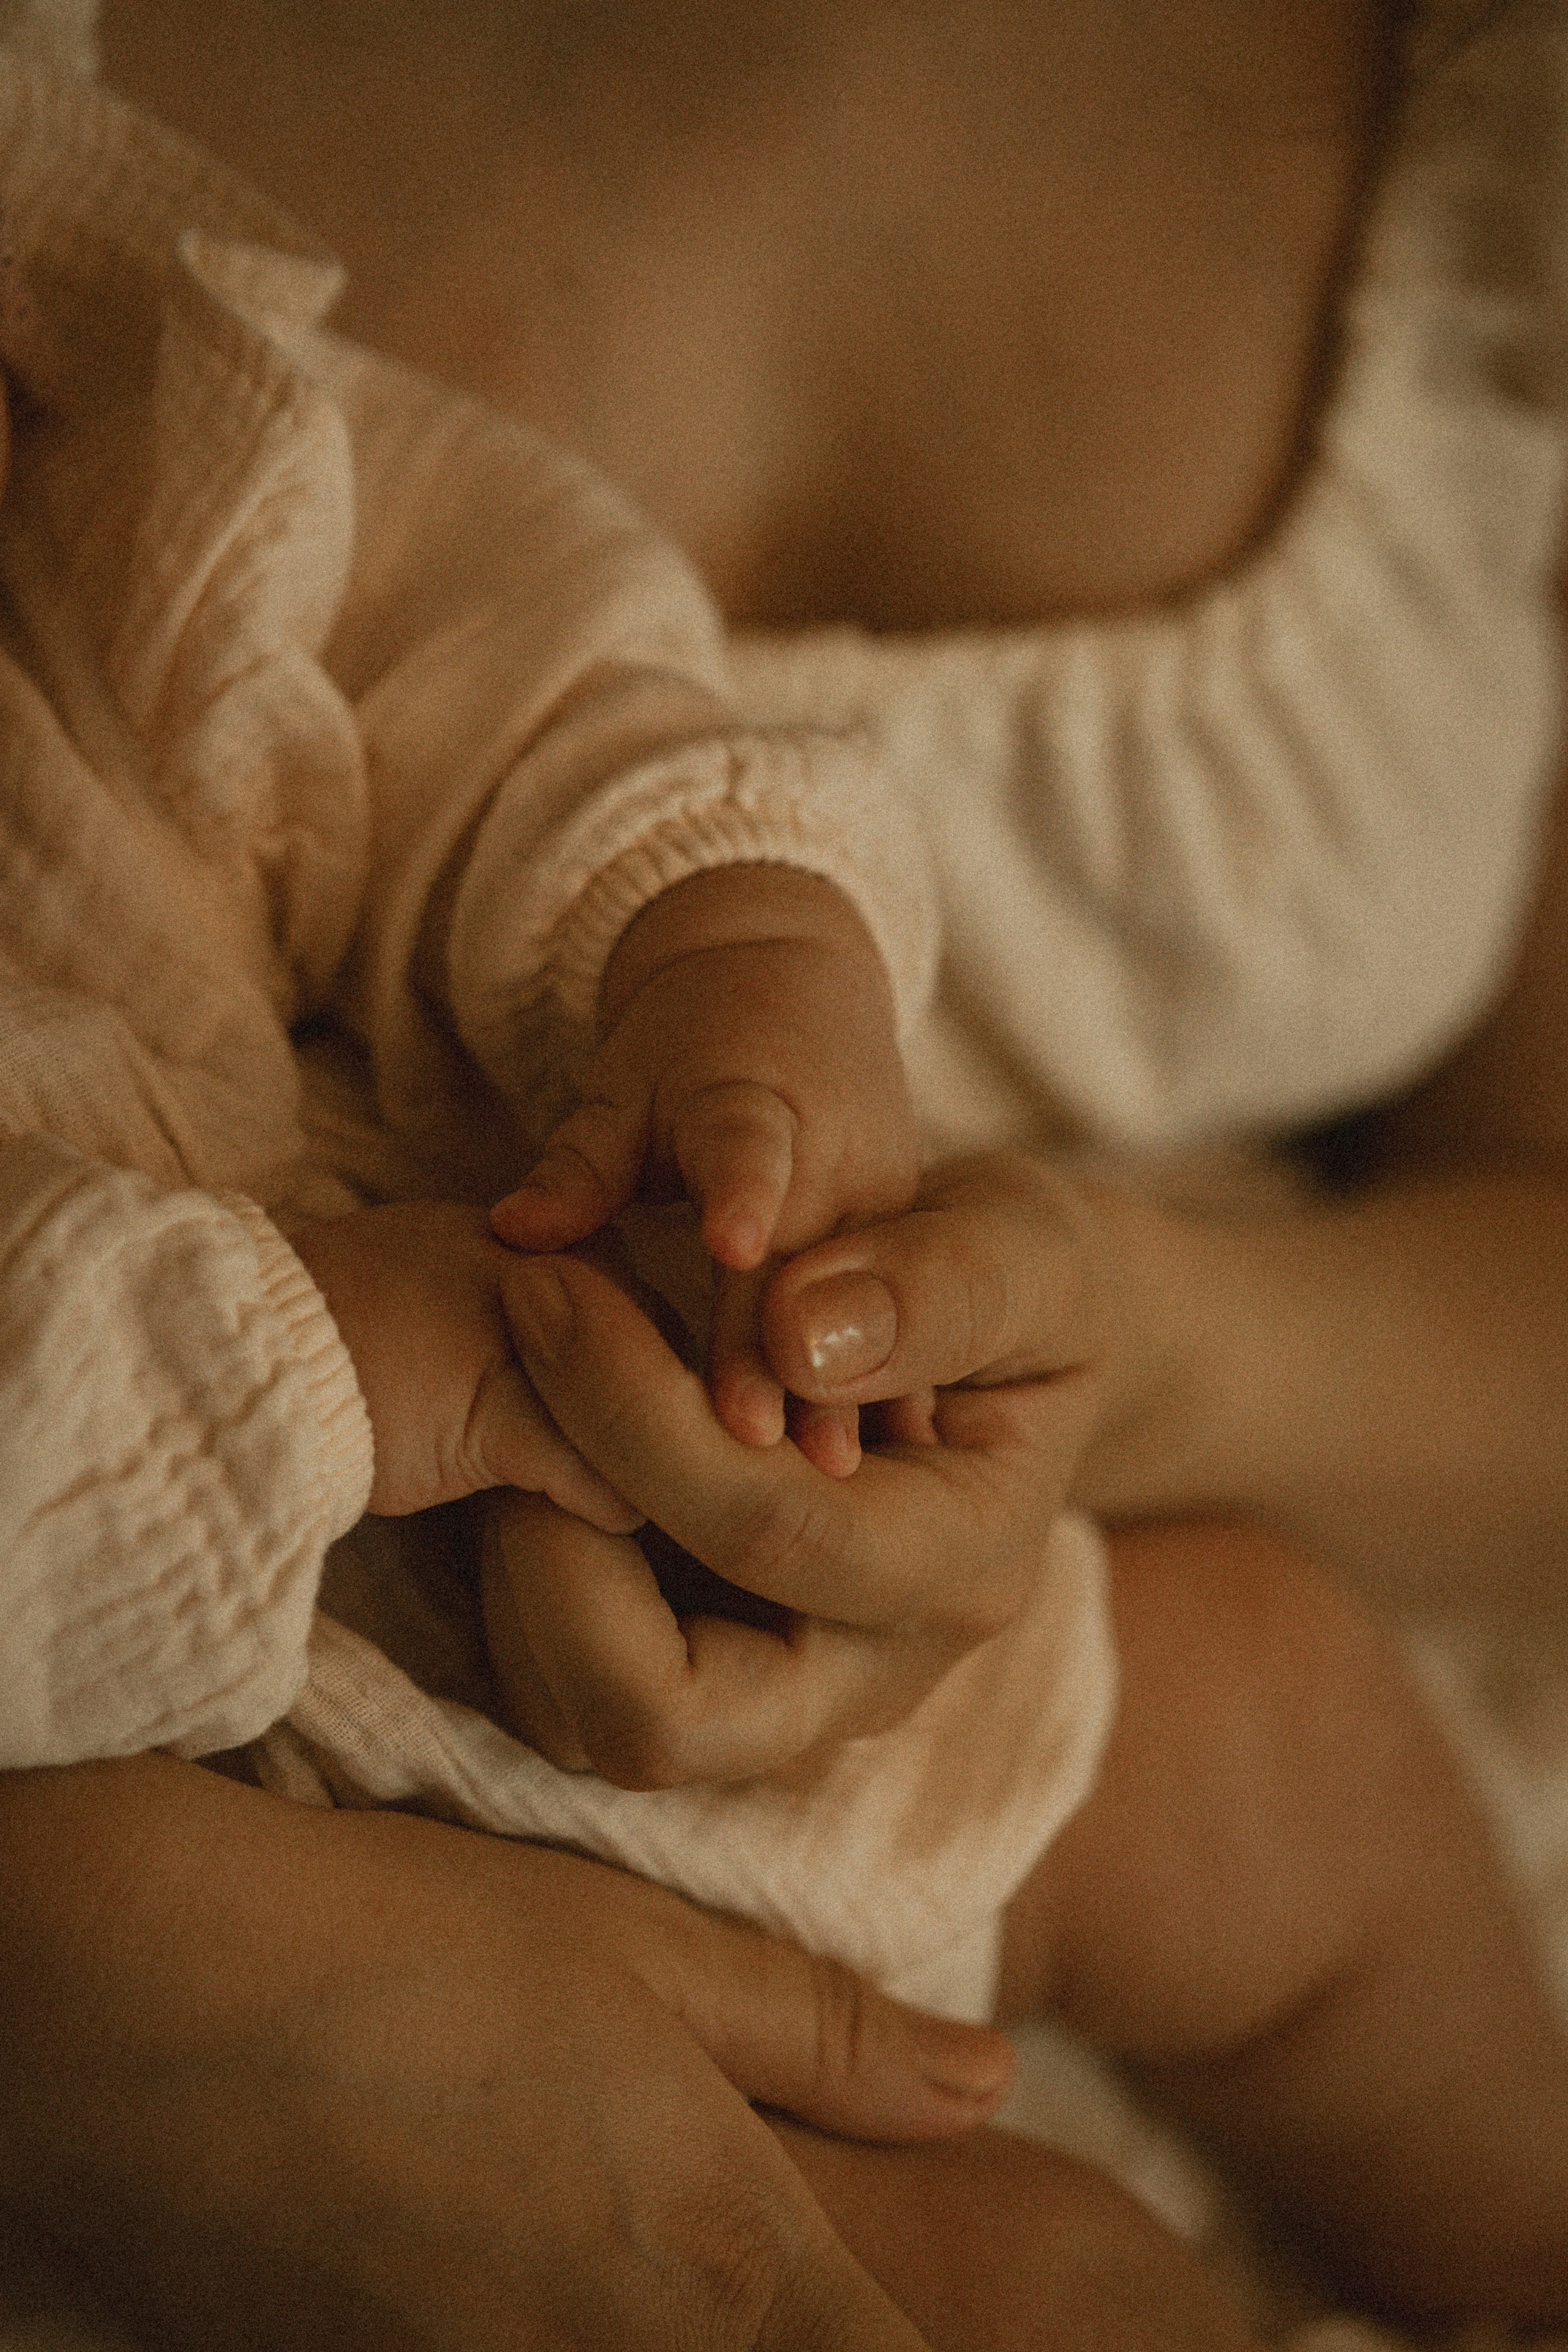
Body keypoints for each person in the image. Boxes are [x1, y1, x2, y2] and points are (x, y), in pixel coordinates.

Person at [1, 0, 1562, 2344]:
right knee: (1034, 2287)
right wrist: (325, 1371)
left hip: (845, 1487)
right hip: (249, 1756)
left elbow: (479, 641)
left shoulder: (108, 391)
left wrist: (729, 955)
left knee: (1289, 1729)